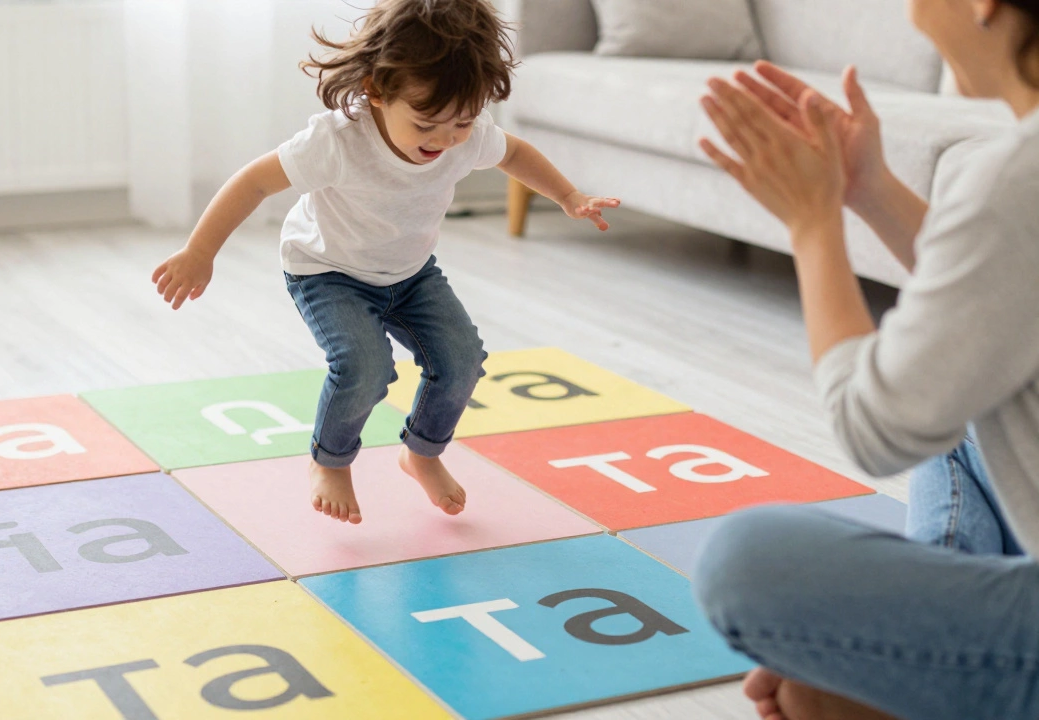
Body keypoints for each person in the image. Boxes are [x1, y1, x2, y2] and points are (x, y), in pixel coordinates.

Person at [692, 1, 1039, 718]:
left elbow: (871, 428)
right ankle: (924, 665)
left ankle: (919, 676)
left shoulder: (1017, 178)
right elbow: (995, 291)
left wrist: (812, 222)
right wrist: (869, 188)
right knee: (954, 398)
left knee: (745, 559)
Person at [151, 0, 618, 525]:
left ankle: (422, 453)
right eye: (426, 124)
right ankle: (330, 461)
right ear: (377, 90)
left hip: (410, 274)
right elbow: (254, 182)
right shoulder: (337, 141)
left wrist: (568, 196)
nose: (445, 140)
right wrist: (200, 251)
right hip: (328, 272)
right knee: (365, 367)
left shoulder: (463, 132)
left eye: (463, 122)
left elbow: (513, 154)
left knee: (462, 361)